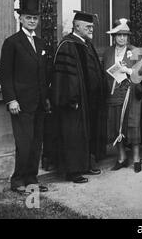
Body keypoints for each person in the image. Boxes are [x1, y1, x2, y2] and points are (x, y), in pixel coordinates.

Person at [0, 0, 50, 194]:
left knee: (36, 143)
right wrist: (11, 99)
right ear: (20, 19)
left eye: (35, 18)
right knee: (24, 142)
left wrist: (45, 97)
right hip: (20, 103)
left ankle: (31, 180)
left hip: (39, 103)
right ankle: (17, 180)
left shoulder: (40, 42)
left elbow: (43, 73)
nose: (32, 21)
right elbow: (5, 74)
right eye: (28, 17)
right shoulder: (12, 42)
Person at [51, 11, 107, 183]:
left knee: (87, 133)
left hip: (90, 99)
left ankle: (86, 164)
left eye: (92, 27)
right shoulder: (67, 45)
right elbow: (64, 76)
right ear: (76, 26)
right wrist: (71, 99)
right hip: (75, 101)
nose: (92, 29)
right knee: (73, 134)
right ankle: (73, 171)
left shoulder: (86, 44)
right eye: (88, 27)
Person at [103, 18, 142, 173]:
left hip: (131, 93)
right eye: (119, 35)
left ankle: (136, 157)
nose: (122, 38)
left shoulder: (135, 51)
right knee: (116, 125)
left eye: (125, 35)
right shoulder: (108, 52)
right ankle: (121, 157)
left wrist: (128, 71)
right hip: (114, 93)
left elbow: (141, 74)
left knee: (133, 124)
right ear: (114, 36)